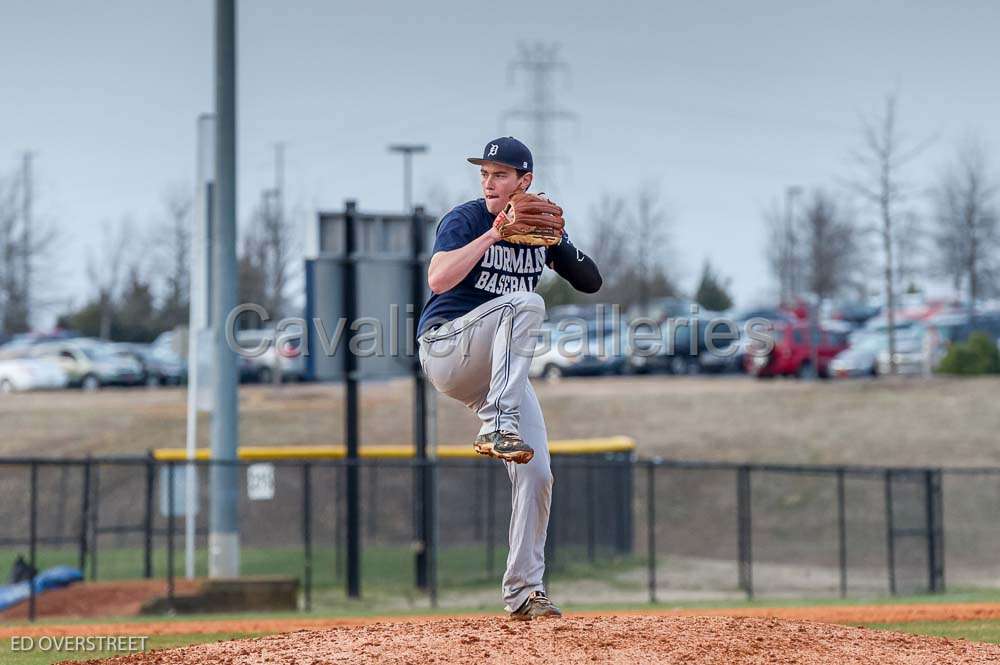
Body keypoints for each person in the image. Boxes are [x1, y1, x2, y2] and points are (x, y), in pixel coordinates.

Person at [416, 136, 602, 620]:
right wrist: (493, 235)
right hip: (448, 347)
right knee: (526, 302)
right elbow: (438, 280)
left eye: (500, 174)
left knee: (537, 472)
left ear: (525, 181)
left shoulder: (539, 231)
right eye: (484, 173)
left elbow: (591, 282)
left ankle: (524, 592)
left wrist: (559, 243)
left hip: (496, 370)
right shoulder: (467, 219)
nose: (489, 182)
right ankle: (497, 424)